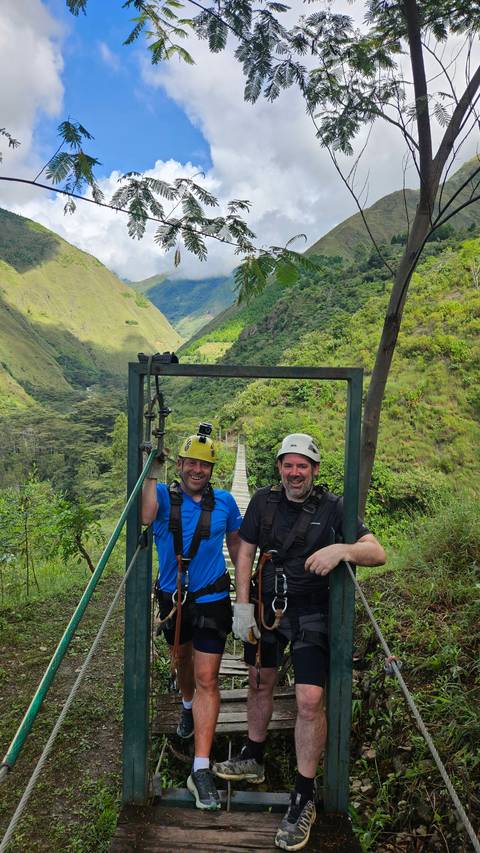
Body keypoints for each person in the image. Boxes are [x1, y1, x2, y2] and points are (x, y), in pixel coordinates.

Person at [213, 433, 385, 851]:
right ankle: (253, 756)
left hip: (312, 611)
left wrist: (342, 549)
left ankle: (303, 793)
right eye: (288, 465)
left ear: (314, 470)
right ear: (279, 469)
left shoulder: (334, 508)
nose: (294, 473)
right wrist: (242, 606)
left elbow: (376, 552)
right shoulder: (262, 502)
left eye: (302, 466)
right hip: (266, 607)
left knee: (309, 700)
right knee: (258, 680)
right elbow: (244, 553)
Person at [142, 424, 242, 811]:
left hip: (213, 597)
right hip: (174, 601)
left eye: (205, 465)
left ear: (212, 470)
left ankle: (201, 766)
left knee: (207, 678)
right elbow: (146, 515)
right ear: (180, 464)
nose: (197, 470)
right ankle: (185, 705)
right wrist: (153, 468)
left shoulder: (227, 504)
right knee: (181, 663)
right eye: (191, 463)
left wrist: (246, 595)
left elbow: (236, 544)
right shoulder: (165, 498)